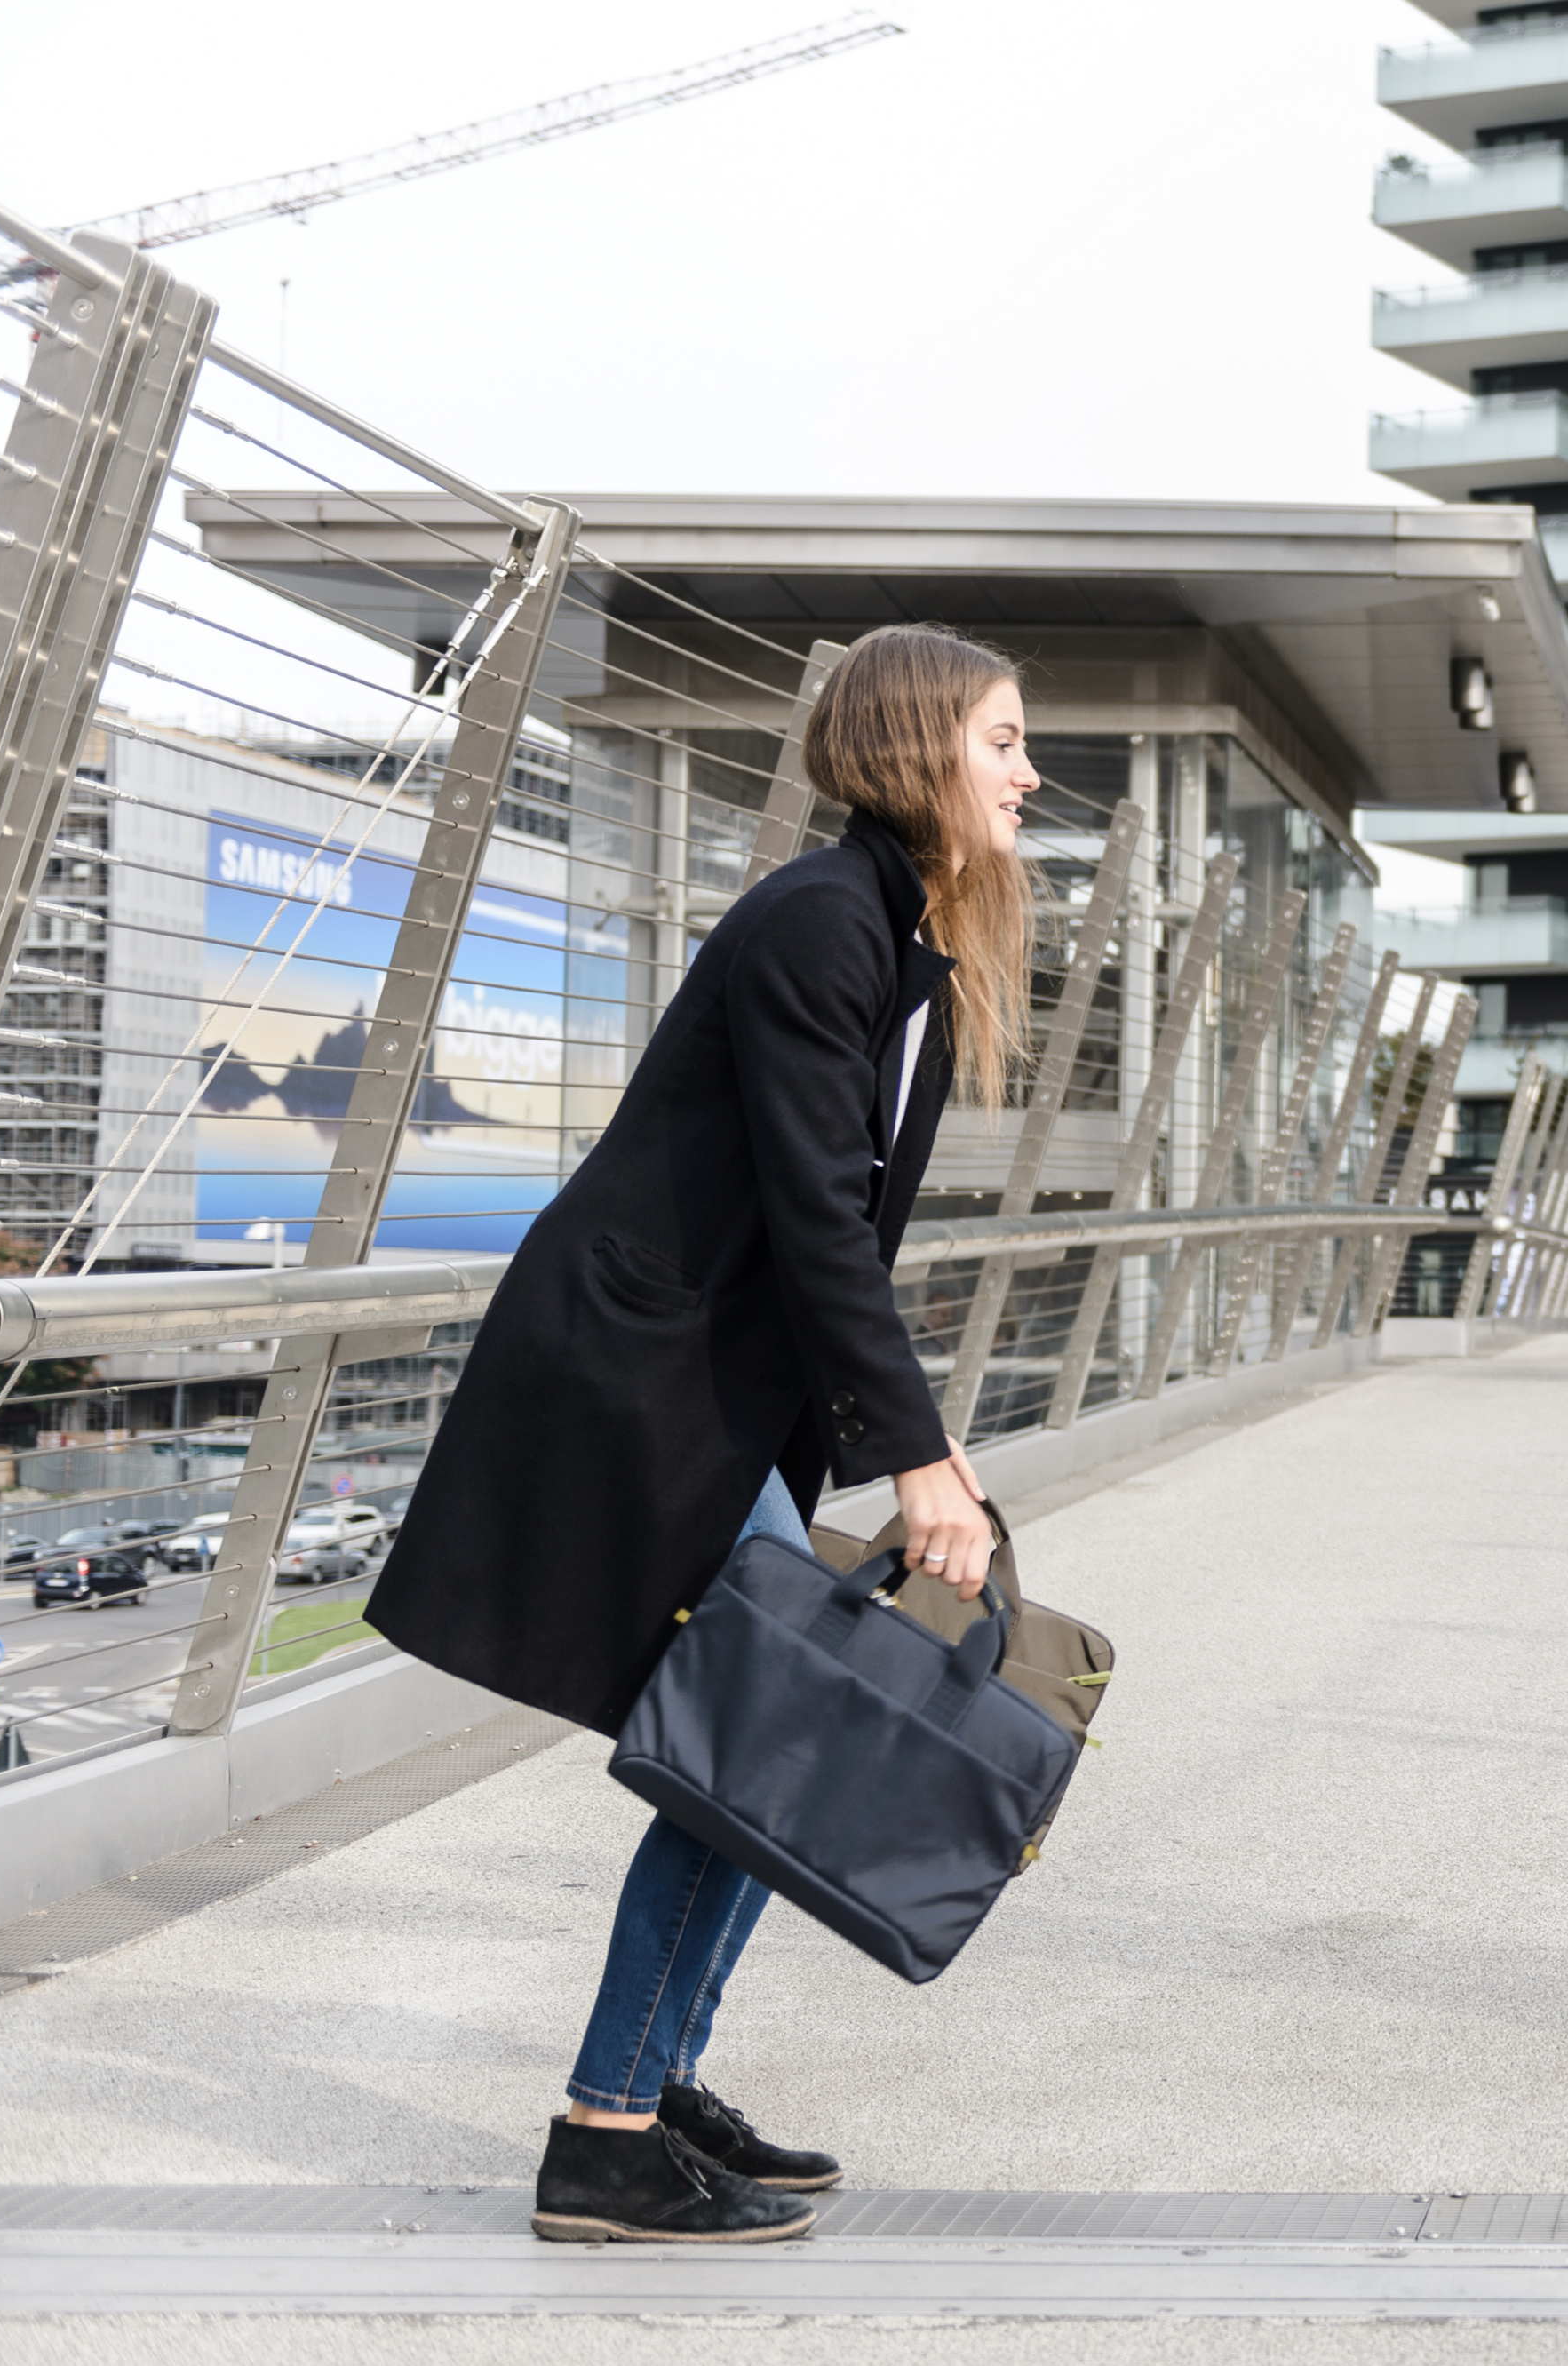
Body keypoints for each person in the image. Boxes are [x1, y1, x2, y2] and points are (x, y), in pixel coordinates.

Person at [370, 623, 1030, 2245]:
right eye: (1005, 738)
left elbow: (838, 1235)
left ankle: (652, 2084)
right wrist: (919, 1461)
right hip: (641, 1368)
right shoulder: (823, 922)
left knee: (763, 1735)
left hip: (716, 1385)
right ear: (918, 745)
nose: (1030, 770)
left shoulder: (903, 940)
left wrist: (904, 1442)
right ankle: (606, 2123)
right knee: (756, 1738)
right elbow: (816, 1216)